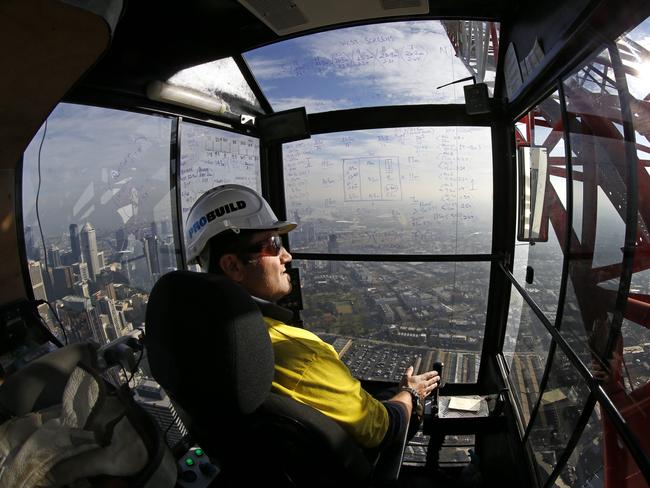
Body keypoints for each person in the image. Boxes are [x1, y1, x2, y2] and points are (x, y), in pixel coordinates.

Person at [184, 184, 440, 451]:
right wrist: (411, 393)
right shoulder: (299, 354)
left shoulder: (196, 337)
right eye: (273, 244)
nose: (287, 255)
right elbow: (381, 430)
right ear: (233, 266)